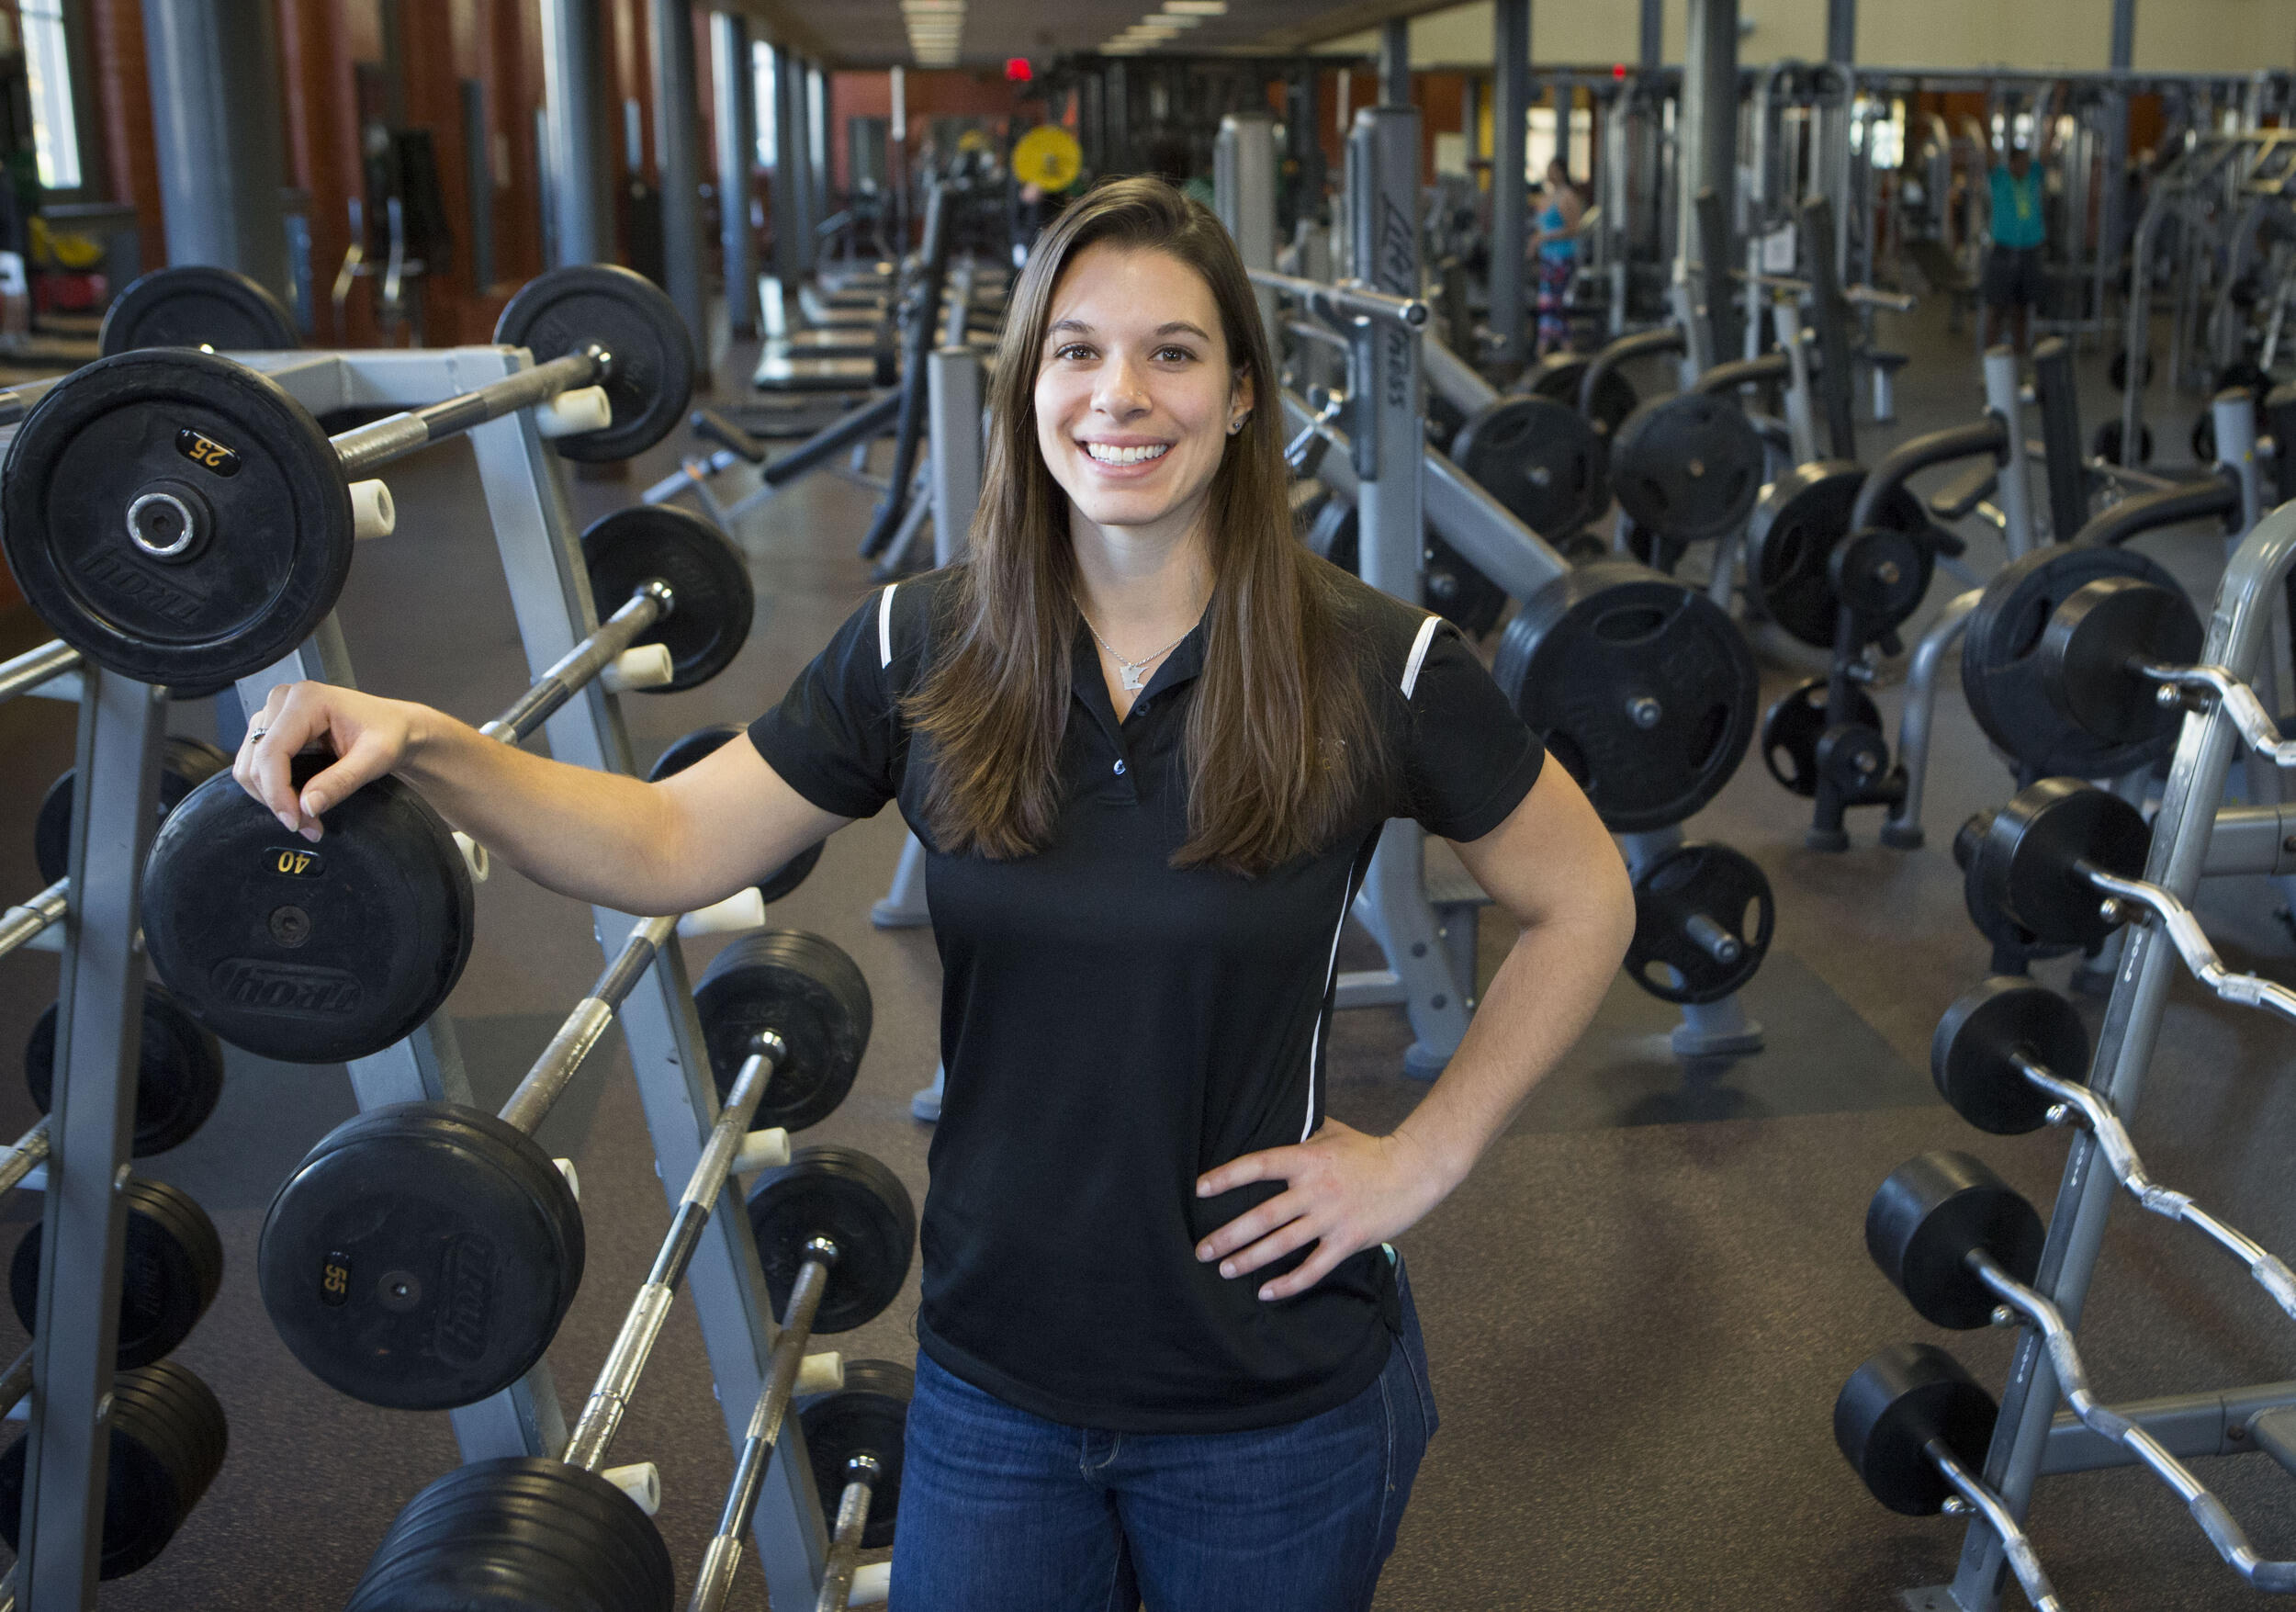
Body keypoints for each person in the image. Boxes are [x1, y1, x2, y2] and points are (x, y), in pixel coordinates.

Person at [231, 175, 1634, 1612]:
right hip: (996, 1390)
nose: (1120, 394)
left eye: (1174, 350)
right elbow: (661, 841)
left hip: (1271, 1395)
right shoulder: (923, 640)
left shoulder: (1378, 664)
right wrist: (435, 741)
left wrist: (1425, 1155)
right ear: (1029, 382)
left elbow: (1586, 896)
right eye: (1077, 349)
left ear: (1242, 399)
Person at [1984, 141, 2047, 355]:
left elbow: (2046, 147)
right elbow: (1989, 148)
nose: (2025, 165)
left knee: (2022, 309)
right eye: (2021, 162)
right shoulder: (1999, 178)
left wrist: (2057, 111)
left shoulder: (2032, 177)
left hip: (2029, 250)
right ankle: (1990, 357)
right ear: (2011, 163)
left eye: (2027, 162)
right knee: (1997, 308)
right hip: (2004, 250)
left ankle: (2021, 355)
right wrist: (1985, 110)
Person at [1525, 157, 1584, 355]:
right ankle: (1564, 354)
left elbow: (1574, 229)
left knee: (1553, 307)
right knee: (1551, 307)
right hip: (1548, 258)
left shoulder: (1567, 196)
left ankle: (1544, 353)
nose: (1549, 174)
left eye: (1552, 170)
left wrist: (1545, 237)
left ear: (1561, 172)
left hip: (1561, 258)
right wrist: (1536, 242)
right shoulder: (1548, 196)